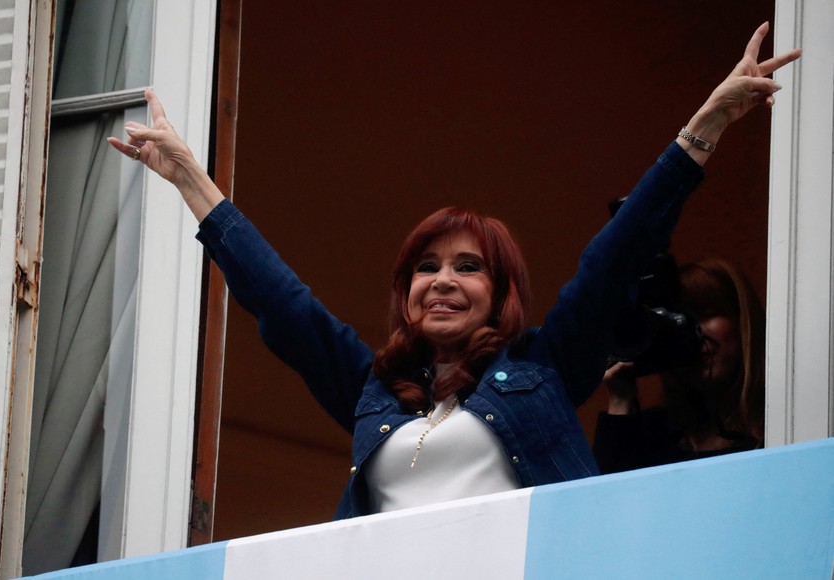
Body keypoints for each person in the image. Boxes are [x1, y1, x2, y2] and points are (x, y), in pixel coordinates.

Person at [108, 23, 800, 517]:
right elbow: (281, 303)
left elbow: (616, 255)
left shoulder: (547, 367)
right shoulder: (372, 390)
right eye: (426, 268)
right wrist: (190, 178)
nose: (442, 280)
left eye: (469, 268)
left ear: (501, 297)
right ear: (405, 295)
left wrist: (703, 129)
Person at [593, 259, 766, 473]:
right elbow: (605, 498)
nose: (694, 334)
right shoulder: (655, 435)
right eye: (682, 322)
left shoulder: (782, 421)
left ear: (742, 322)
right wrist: (620, 399)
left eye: (706, 315)